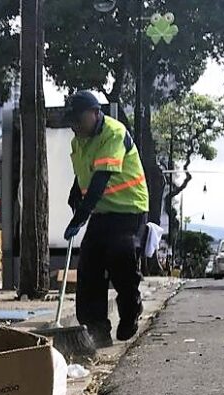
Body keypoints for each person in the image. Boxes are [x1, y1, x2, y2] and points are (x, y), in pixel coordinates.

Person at [62, 91, 150, 347]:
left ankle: (131, 311)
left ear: (95, 112)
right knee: (89, 266)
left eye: (78, 119)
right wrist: (75, 193)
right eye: (72, 121)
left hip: (129, 209)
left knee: (120, 255)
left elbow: (101, 179)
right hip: (102, 212)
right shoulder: (78, 140)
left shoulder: (113, 132)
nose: (75, 125)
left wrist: (80, 216)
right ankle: (96, 328)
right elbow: (85, 175)